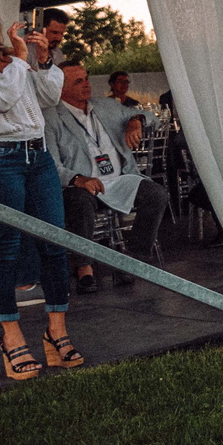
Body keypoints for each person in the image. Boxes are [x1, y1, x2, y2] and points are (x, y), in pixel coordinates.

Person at [0, 0, 82, 379]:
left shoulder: (7, 57)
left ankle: (56, 333)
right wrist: (19, 59)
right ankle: (11, 337)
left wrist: (44, 61)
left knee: (55, 244)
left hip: (38, 156)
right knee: (7, 249)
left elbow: (48, 97)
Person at [45, 64, 169, 293]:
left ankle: (132, 260)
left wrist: (136, 120)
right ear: (59, 88)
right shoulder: (51, 117)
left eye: (86, 78)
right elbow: (51, 164)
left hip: (118, 178)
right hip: (82, 182)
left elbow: (153, 116)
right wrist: (78, 179)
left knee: (156, 194)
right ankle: (84, 266)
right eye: (78, 81)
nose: (87, 84)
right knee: (78, 201)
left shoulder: (106, 106)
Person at [91, 70, 154, 153]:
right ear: (112, 84)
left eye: (126, 82)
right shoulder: (104, 104)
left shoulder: (134, 104)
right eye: (120, 81)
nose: (124, 84)